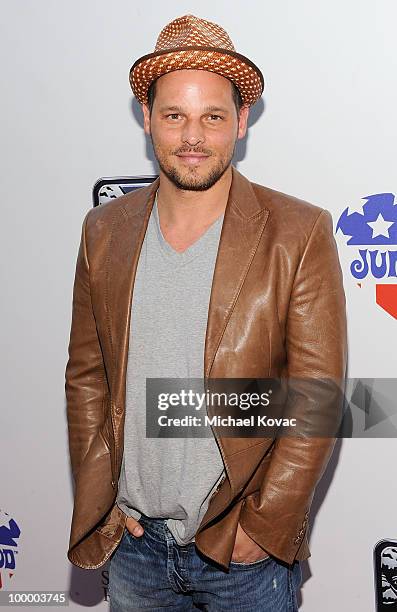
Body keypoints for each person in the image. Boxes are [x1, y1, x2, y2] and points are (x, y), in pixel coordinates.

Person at [65, 14, 347, 611]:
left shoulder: (297, 232)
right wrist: (102, 500)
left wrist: (266, 525)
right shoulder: (104, 232)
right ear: (148, 119)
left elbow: (317, 395)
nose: (193, 137)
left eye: (212, 117)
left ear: (241, 122)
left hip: (242, 555)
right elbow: (87, 378)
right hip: (135, 548)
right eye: (174, 116)